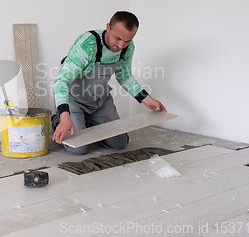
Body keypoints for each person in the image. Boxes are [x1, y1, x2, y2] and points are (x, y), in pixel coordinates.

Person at [52, 11, 166, 155]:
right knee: (78, 149)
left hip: (100, 102)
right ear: (108, 27)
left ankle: (88, 123)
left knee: (119, 144)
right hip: (75, 101)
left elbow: (124, 75)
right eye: (117, 38)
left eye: (127, 41)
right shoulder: (87, 45)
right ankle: (58, 120)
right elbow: (61, 81)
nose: (121, 45)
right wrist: (64, 117)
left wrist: (146, 99)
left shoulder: (127, 48)